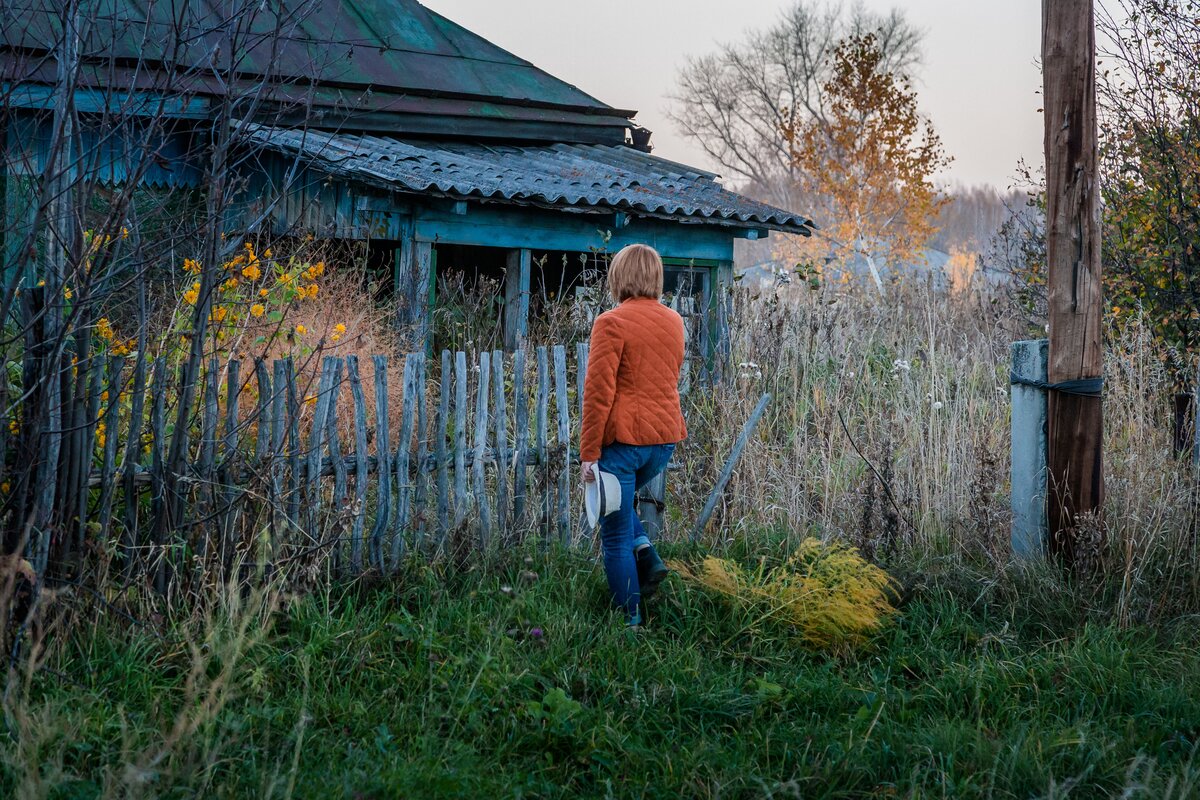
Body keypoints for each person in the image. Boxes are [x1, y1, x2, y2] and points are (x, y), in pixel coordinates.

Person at [580, 243, 687, 626]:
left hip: (624, 443)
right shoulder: (675, 321)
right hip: (663, 443)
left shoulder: (611, 322)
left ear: (619, 277)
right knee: (621, 506)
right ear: (656, 277)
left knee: (613, 533)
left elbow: (598, 393)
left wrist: (589, 453)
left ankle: (630, 624)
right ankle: (646, 550)